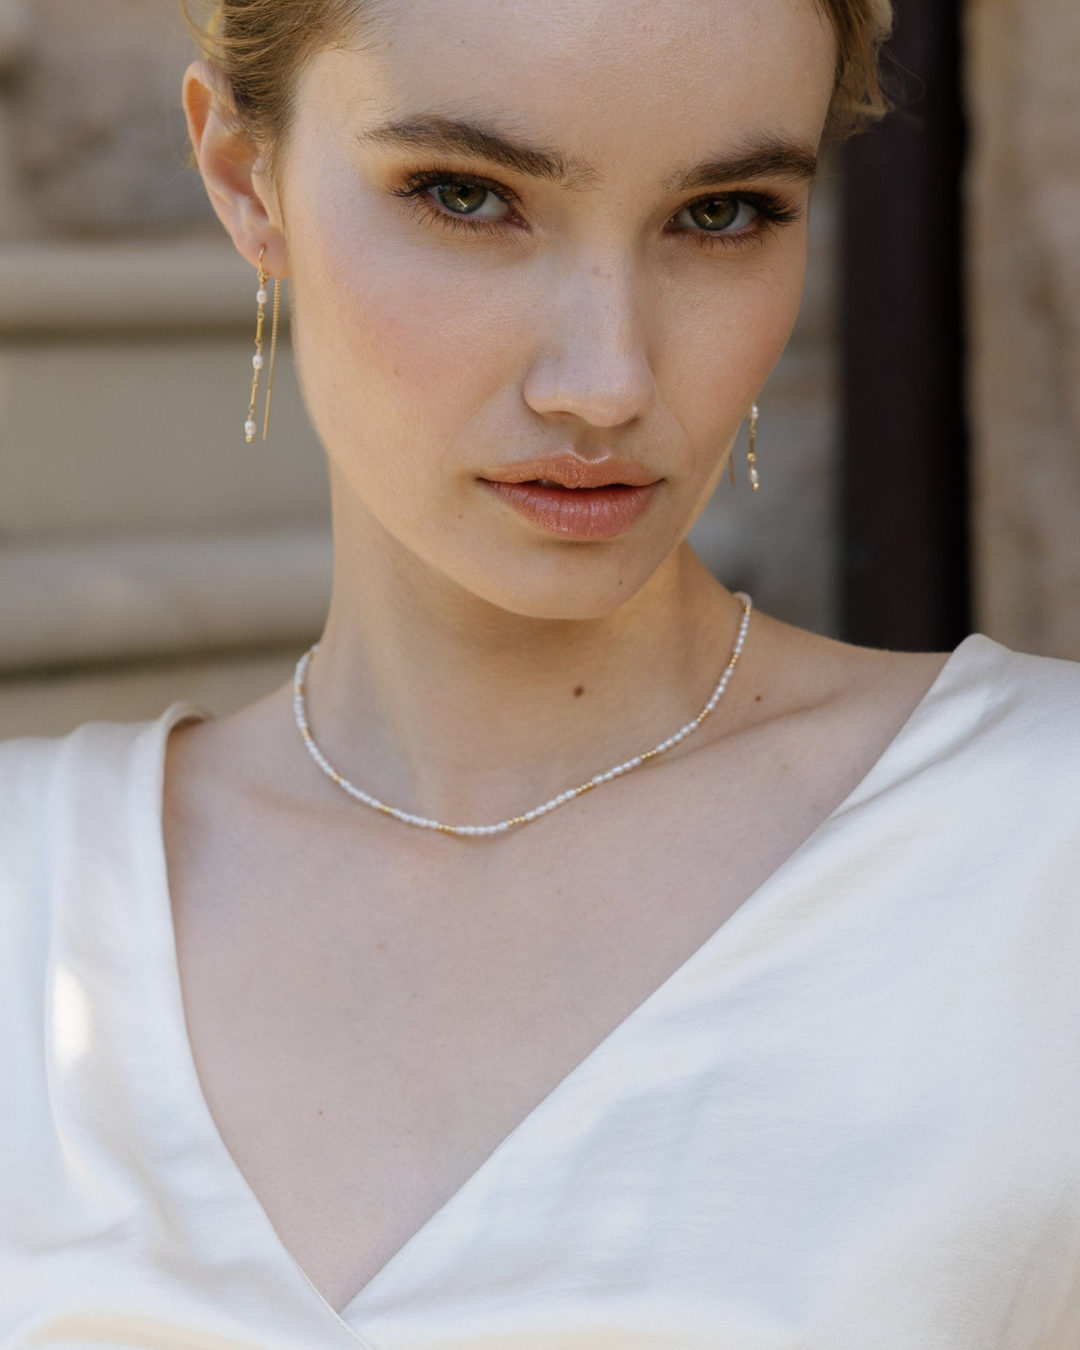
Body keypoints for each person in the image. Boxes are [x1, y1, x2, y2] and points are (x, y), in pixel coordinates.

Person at [3, 0, 1080, 1344]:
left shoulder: (1044, 853)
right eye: (468, 195)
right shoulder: (26, 890)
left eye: (724, 213)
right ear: (244, 174)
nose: (607, 381)